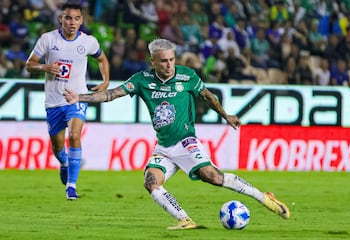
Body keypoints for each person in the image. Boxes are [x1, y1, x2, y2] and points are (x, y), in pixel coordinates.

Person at [63, 38, 290, 229]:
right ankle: (185, 219)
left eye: (172, 59)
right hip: (163, 146)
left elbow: (208, 96)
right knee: (151, 182)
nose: (169, 65)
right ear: (152, 61)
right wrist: (79, 97)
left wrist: (226, 115)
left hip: (186, 141)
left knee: (212, 177)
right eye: (163, 61)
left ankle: (263, 197)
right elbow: (111, 94)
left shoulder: (187, 76)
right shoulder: (142, 80)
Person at [25, 2, 110, 200]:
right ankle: (63, 163)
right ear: (60, 19)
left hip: (77, 97)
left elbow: (102, 59)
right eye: (69, 18)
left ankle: (71, 186)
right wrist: (44, 67)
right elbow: (30, 65)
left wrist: (105, 81)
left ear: (82, 20)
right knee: (57, 146)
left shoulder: (88, 41)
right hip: (54, 102)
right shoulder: (48, 39)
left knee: (74, 135)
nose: (73, 22)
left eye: (77, 18)